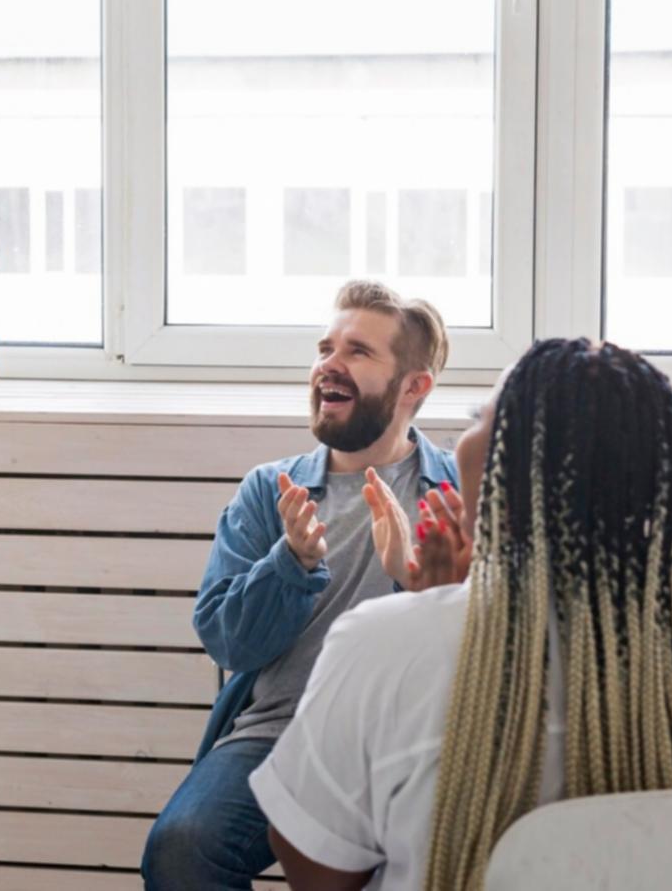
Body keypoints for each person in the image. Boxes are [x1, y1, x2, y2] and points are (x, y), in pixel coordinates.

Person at [249, 338, 672, 890]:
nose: (465, 434)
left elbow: (317, 870)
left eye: (481, 416)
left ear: (515, 465)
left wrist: (432, 613)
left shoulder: (392, 644)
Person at [141, 281, 459, 890]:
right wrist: (291, 562)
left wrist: (411, 578)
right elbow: (229, 644)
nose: (328, 365)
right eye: (325, 347)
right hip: (284, 736)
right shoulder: (271, 490)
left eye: (358, 351)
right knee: (183, 849)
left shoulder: (456, 491)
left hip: (416, 741)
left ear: (414, 386)